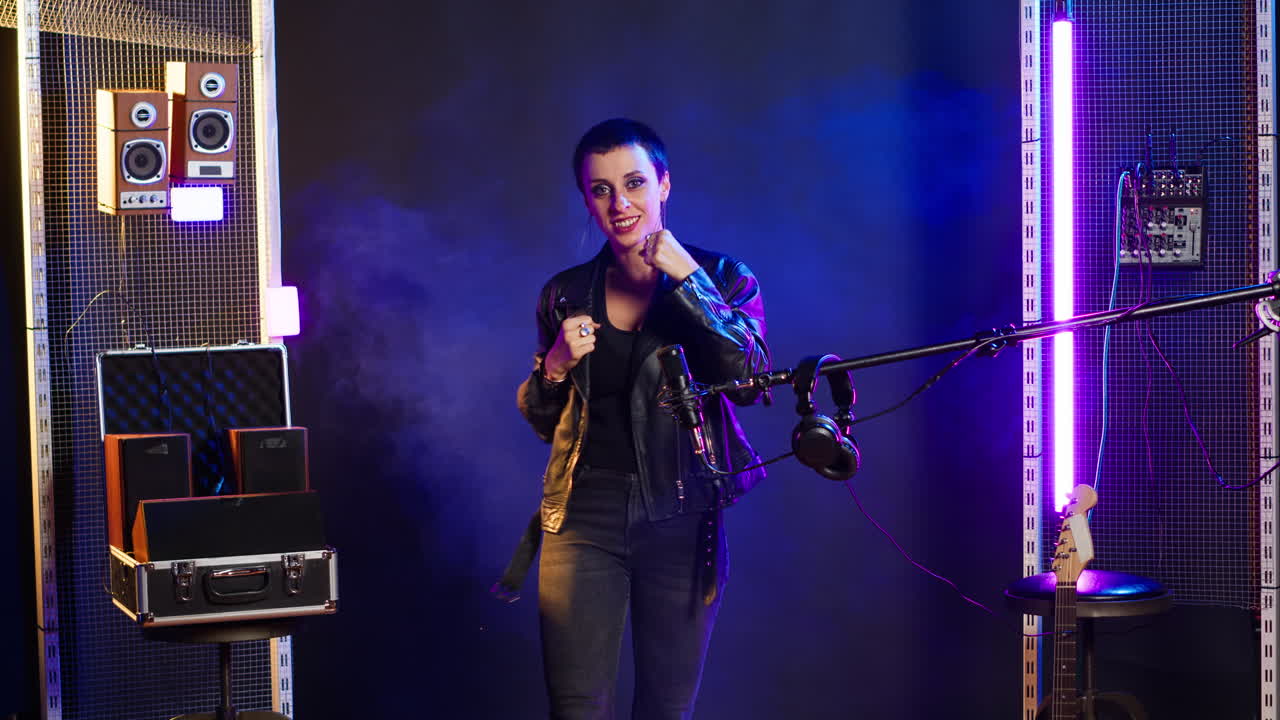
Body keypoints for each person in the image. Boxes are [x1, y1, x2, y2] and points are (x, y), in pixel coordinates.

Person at [507, 117, 769, 720]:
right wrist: (552, 366)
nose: (620, 203)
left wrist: (691, 282)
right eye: (601, 189)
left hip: (684, 512)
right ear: (586, 200)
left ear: (664, 185)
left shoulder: (724, 277)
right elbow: (547, 422)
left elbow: (751, 378)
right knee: (576, 708)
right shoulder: (565, 293)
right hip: (581, 516)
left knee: (665, 709)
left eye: (634, 184)